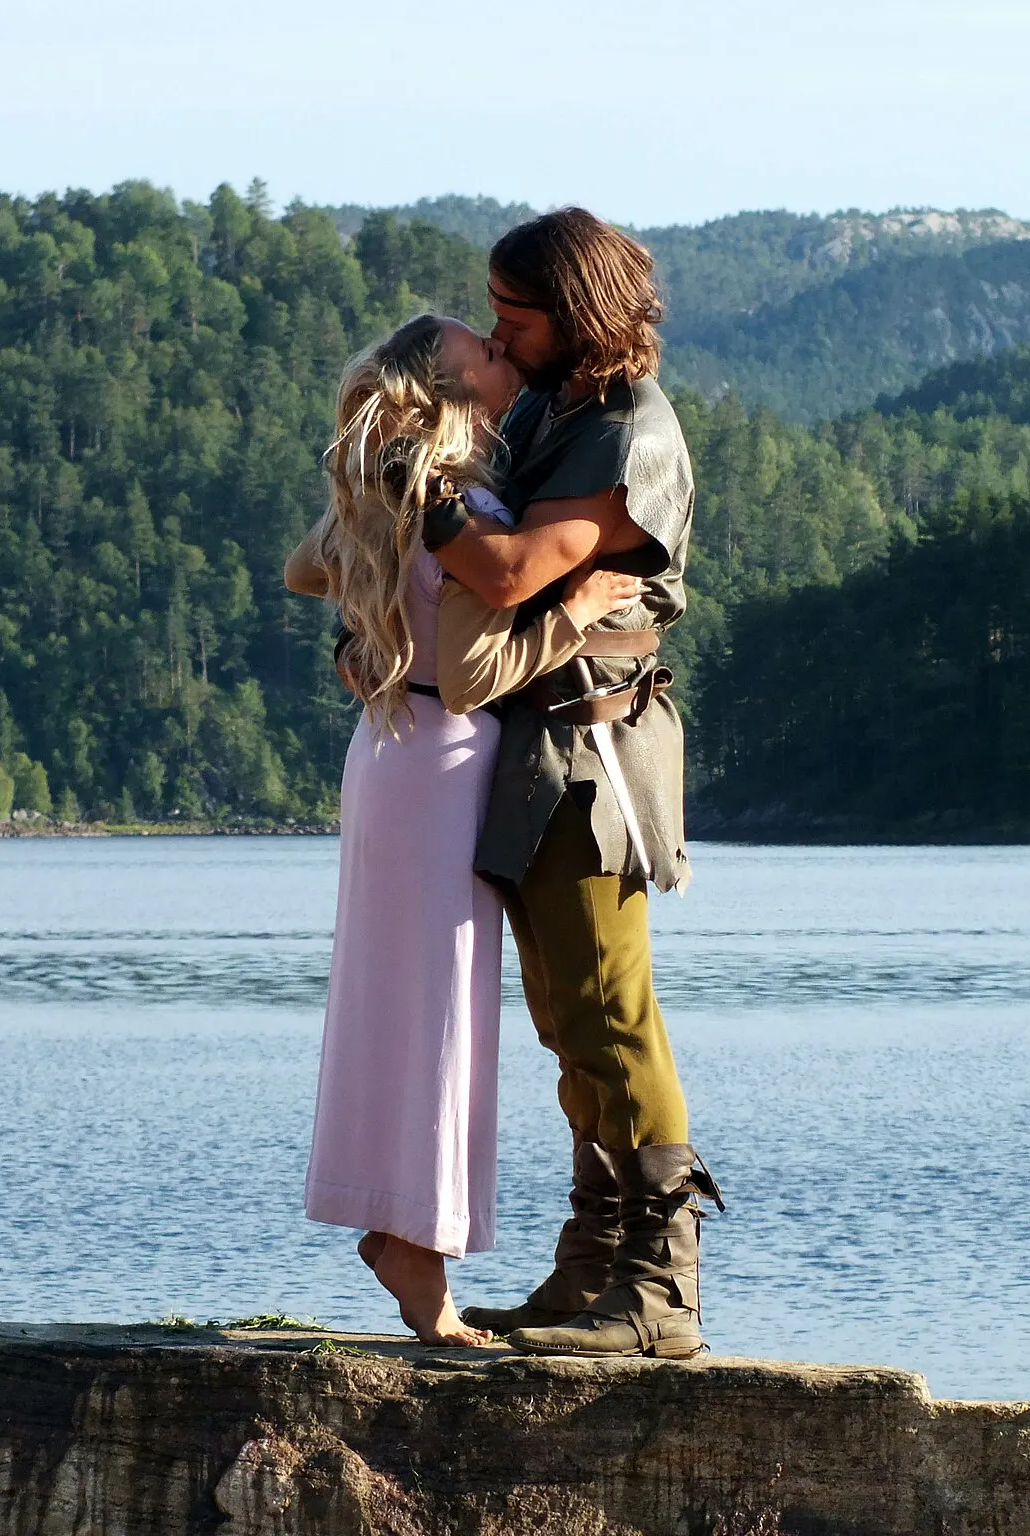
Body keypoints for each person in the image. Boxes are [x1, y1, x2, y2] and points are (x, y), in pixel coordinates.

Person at [284, 312, 643, 1347]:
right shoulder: (460, 500)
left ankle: (403, 1233)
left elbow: (305, 570)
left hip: (387, 747)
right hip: (439, 751)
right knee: (437, 1016)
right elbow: (482, 669)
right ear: (445, 388)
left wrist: (375, 618)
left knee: (391, 1006)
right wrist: (579, 610)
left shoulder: (391, 490)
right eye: (477, 351)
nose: (498, 352)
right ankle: (414, 1253)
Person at [424, 208, 724, 1360]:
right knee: (567, 1026)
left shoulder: (629, 434)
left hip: (593, 760)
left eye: (517, 317)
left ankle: (657, 1297)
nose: (500, 336)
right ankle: (592, 1268)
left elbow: (500, 575)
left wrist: (415, 486)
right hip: (536, 755)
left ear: (580, 317)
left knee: (611, 1017)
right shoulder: (560, 405)